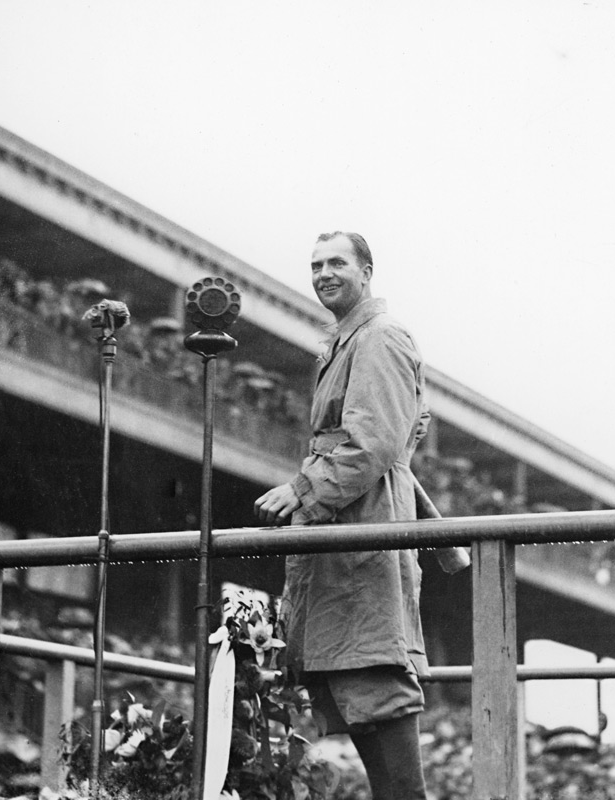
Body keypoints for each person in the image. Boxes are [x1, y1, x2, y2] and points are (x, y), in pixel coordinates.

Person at [254, 231, 430, 800]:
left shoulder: (378, 337)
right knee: (360, 704)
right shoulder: (345, 342)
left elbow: (373, 442)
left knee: (379, 696)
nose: (324, 273)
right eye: (315, 265)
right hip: (346, 536)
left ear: (367, 271)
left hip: (363, 535)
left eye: (337, 262)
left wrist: (303, 489)